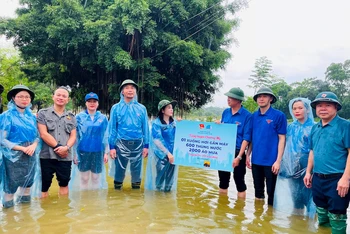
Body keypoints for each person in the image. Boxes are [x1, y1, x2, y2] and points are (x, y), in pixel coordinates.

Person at [303, 92, 350, 234]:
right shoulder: (315, 128)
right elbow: (312, 151)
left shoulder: (345, 126)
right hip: (317, 178)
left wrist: (346, 179)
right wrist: (308, 172)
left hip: (337, 179)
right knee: (321, 211)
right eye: (319, 105)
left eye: (327, 105)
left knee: (337, 215)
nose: (323, 108)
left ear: (336, 107)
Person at [0, 84, 41, 208]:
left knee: (27, 184)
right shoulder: (6, 116)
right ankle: (9, 218)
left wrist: (34, 145)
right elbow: (2, 140)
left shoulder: (32, 117)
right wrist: (22, 148)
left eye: (27, 97)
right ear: (13, 98)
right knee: (10, 186)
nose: (24, 99)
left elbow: (38, 135)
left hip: (30, 155)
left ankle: (25, 217)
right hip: (12, 157)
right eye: (20, 96)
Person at [274, 98, 316, 217]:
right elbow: (284, 144)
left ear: (307, 110)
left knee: (310, 197)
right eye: (294, 108)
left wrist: (310, 170)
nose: (297, 111)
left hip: (308, 166)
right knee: (295, 197)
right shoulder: (290, 127)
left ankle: (310, 223)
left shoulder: (314, 127)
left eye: (300, 108)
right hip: (292, 167)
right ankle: (296, 224)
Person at [247, 87, 287, 205]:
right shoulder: (253, 116)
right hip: (256, 161)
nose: (261, 98)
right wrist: (248, 155)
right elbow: (252, 138)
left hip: (272, 162)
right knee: (258, 193)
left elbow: (282, 138)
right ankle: (258, 218)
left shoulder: (279, 115)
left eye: (264, 96)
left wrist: (278, 161)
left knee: (272, 193)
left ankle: (270, 218)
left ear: (270, 98)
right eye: (259, 96)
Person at [108, 79, 149, 190]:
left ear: (135, 91)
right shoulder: (115, 108)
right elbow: (112, 128)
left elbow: (145, 127)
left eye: (132, 88)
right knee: (119, 169)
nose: (130, 90)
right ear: (122, 92)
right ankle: (117, 194)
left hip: (138, 143)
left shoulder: (142, 108)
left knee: (137, 170)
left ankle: (135, 194)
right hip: (121, 142)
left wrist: (146, 146)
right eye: (127, 88)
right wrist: (111, 147)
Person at [37, 86, 76, 197]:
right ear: (53, 97)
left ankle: (63, 211)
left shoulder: (71, 117)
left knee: (64, 183)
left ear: (67, 100)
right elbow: (43, 134)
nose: (61, 97)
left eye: (64, 96)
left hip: (65, 156)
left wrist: (66, 148)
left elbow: (73, 136)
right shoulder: (43, 113)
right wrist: (59, 147)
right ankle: (45, 211)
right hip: (46, 156)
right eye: (58, 95)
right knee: (44, 186)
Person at [216, 87, 251, 198]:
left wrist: (239, 157)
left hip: (237, 151)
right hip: (223, 151)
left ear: (238, 100)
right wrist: (217, 125)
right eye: (228, 97)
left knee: (239, 182)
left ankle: (239, 211)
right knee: (223, 181)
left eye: (231, 97)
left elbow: (246, 138)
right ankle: (222, 207)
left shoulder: (247, 116)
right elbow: (221, 132)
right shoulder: (225, 112)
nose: (228, 99)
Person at [69, 92, 109, 190]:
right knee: (84, 178)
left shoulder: (103, 118)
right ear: (86, 103)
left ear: (98, 104)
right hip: (83, 151)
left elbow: (106, 136)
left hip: (98, 151)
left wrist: (106, 153)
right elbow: (75, 136)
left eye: (94, 101)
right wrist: (74, 154)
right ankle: (84, 200)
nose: (92, 103)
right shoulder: (79, 117)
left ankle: (94, 201)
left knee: (96, 178)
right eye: (89, 101)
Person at [145, 100, 179, 192]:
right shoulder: (156, 123)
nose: (171, 110)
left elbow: (183, 136)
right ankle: (158, 200)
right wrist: (167, 153)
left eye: (172, 108)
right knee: (160, 179)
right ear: (162, 110)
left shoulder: (174, 123)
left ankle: (167, 200)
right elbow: (157, 140)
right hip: (161, 156)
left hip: (173, 155)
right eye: (169, 108)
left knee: (169, 181)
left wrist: (181, 124)